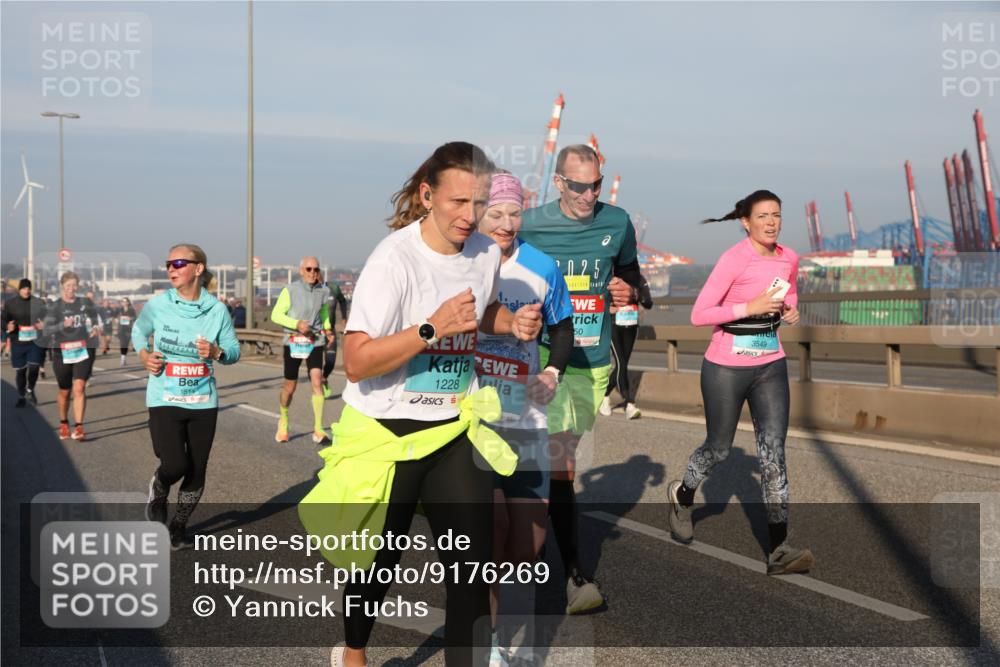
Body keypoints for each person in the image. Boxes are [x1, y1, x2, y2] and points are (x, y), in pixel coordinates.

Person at [297, 142, 543, 667]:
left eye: (478, 203)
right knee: (376, 564)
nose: (469, 216)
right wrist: (432, 328)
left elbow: (483, 311)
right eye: (457, 202)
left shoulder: (482, 253)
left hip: (452, 428)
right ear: (428, 195)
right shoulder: (393, 260)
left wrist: (510, 322)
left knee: (472, 572)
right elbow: (358, 361)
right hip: (388, 433)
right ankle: (354, 651)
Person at [518, 144, 640, 614]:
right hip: (541, 358)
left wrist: (629, 287)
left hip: (590, 363)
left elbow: (630, 271)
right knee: (559, 462)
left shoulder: (617, 222)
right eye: (578, 186)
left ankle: (534, 540)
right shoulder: (530, 224)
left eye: (595, 185)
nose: (589, 195)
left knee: (555, 464)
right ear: (558, 182)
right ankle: (572, 574)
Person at [665, 190, 813, 575]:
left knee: (773, 455)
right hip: (725, 367)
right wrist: (749, 308)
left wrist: (791, 310)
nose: (771, 222)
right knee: (719, 449)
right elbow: (700, 314)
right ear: (745, 221)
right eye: (763, 216)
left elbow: (789, 293)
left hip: (771, 366)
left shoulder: (789, 257)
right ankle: (682, 495)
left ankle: (778, 550)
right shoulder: (734, 259)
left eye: (776, 215)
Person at [475, 172, 573, 663]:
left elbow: (564, 329)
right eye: (496, 213)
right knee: (491, 532)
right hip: (474, 420)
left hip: (528, 417)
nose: (506, 223)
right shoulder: (465, 261)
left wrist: (553, 370)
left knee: (528, 542)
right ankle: (492, 644)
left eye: (514, 213)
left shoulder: (542, 266)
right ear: (479, 213)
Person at [134, 243, 240, 549]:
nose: (171, 269)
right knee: (175, 464)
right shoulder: (158, 304)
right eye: (168, 264)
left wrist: (218, 351)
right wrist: (143, 356)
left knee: (197, 468)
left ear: (198, 269)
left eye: (179, 263)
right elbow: (139, 332)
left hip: (203, 400)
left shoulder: (217, 310)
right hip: (164, 396)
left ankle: (179, 524)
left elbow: (234, 351)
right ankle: (160, 485)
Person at [270, 256, 333, 444]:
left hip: (314, 340)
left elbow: (323, 312)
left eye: (316, 269)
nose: (313, 273)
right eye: (309, 269)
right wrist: (296, 323)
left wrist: (328, 329)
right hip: (293, 341)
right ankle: (284, 419)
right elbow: (275, 315)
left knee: (316, 380)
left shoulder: (324, 290)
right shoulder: (290, 290)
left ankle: (318, 429)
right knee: (290, 387)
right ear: (301, 270)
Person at [43, 272, 101, 441]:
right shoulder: (55, 306)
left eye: (74, 285)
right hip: (62, 352)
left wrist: (96, 327)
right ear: (62, 286)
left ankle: (79, 427)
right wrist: (62, 324)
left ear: (78, 286)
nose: (71, 289)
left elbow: (93, 317)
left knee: (80, 387)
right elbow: (46, 330)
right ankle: (63, 423)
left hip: (81, 350)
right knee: (64, 392)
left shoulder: (84, 303)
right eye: (68, 286)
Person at [599, 273, 654, 419]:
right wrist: (608, 305)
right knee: (621, 363)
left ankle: (604, 396)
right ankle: (629, 403)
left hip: (630, 326)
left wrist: (636, 293)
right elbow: (598, 299)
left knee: (622, 365)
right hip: (612, 326)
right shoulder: (610, 279)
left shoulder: (639, 279)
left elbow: (648, 303)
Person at [2, 278, 47, 407]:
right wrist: (7, 326)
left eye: (28, 288)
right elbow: (3, 320)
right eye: (24, 288)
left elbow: (48, 317)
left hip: (34, 341)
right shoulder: (11, 303)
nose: (26, 291)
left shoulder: (38, 302)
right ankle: (21, 395)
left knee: (34, 367)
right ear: (19, 289)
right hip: (18, 341)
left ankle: (30, 390)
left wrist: (44, 323)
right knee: (20, 372)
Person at [321, 273, 349, 398]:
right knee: (314, 365)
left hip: (329, 331)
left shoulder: (333, 288)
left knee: (331, 361)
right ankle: (317, 386)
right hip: (314, 332)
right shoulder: (308, 292)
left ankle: (324, 378)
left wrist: (344, 317)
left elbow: (343, 301)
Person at [118, 298, 137, 366]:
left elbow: (135, 317)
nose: (124, 303)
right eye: (123, 301)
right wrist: (117, 319)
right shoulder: (119, 310)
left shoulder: (131, 310)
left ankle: (124, 357)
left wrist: (130, 318)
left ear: (128, 302)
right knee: (122, 344)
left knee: (126, 344)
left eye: (126, 301)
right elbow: (115, 317)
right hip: (121, 329)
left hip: (128, 329)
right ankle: (122, 358)